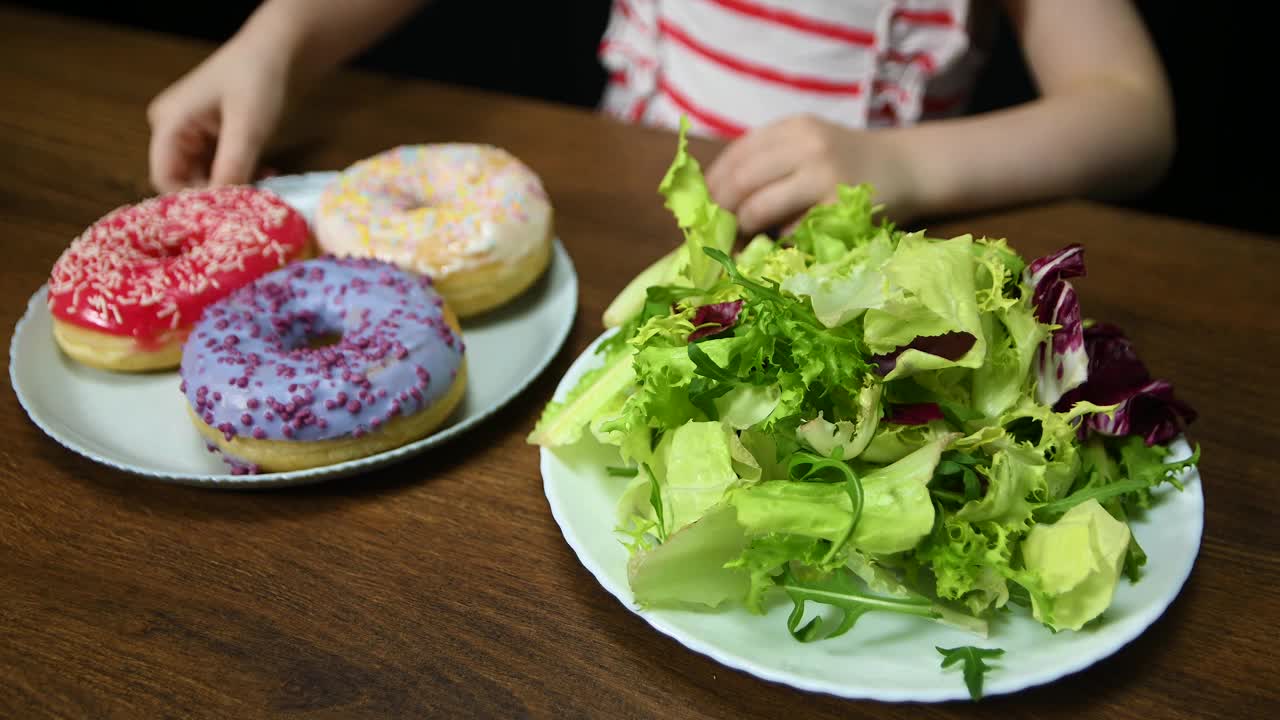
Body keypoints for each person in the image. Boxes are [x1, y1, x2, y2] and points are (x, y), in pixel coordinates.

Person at [147, 0, 1173, 232]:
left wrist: (902, 165)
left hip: (848, 266)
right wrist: (275, 40)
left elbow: (1130, 119)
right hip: (613, 228)